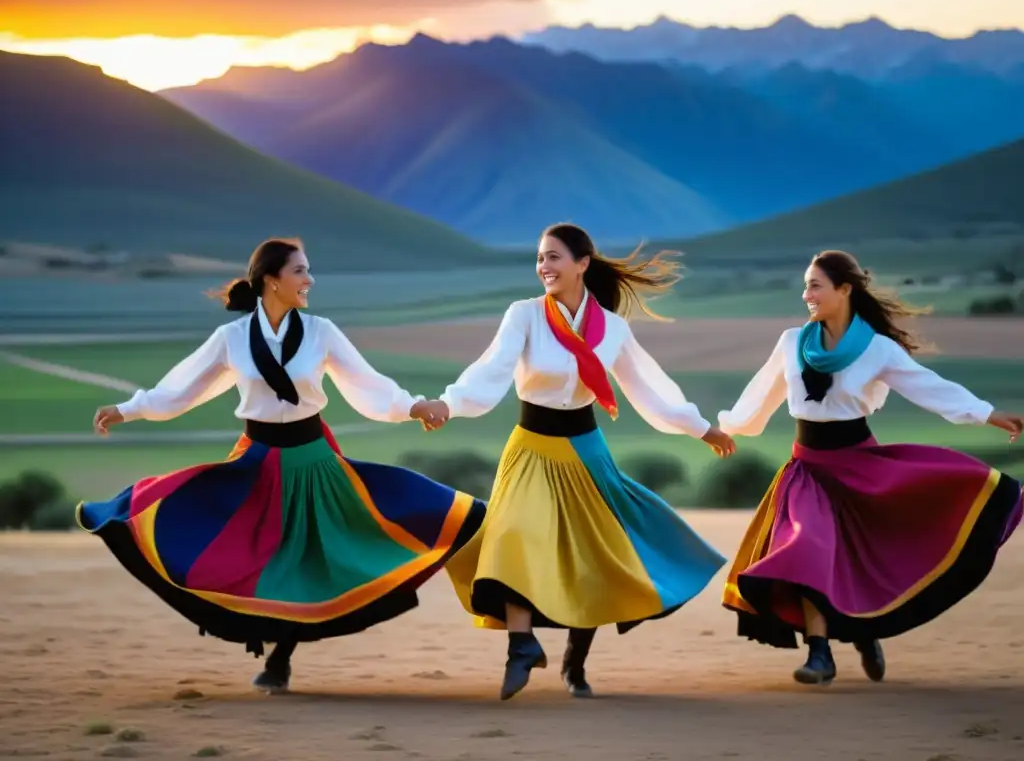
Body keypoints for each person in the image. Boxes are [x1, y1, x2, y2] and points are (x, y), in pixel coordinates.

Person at [77, 237, 486, 694]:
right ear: (272, 280)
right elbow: (180, 390)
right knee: (254, 553)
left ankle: (281, 658)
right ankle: (268, 646)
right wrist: (128, 409)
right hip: (258, 460)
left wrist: (413, 407)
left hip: (313, 459)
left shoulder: (321, 332)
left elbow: (366, 384)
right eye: (300, 271)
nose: (309, 280)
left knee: (312, 558)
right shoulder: (231, 339)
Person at [416, 223, 734, 701]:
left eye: (554, 258)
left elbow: (648, 386)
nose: (544, 266)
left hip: (585, 449)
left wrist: (700, 427)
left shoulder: (613, 329)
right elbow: (492, 369)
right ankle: (521, 646)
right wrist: (450, 403)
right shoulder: (524, 316)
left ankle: (575, 661)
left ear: (582, 264)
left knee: (589, 553)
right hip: (530, 447)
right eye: (540, 258)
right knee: (515, 536)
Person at [717, 249, 1023, 686]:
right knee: (806, 550)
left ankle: (864, 630)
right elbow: (759, 396)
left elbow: (929, 388)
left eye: (816, 285)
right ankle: (820, 655)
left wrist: (987, 413)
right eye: (806, 285)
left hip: (861, 465)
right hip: (807, 470)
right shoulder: (791, 342)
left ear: (845, 290)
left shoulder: (878, 349)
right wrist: (728, 427)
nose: (807, 294)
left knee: (862, 560)